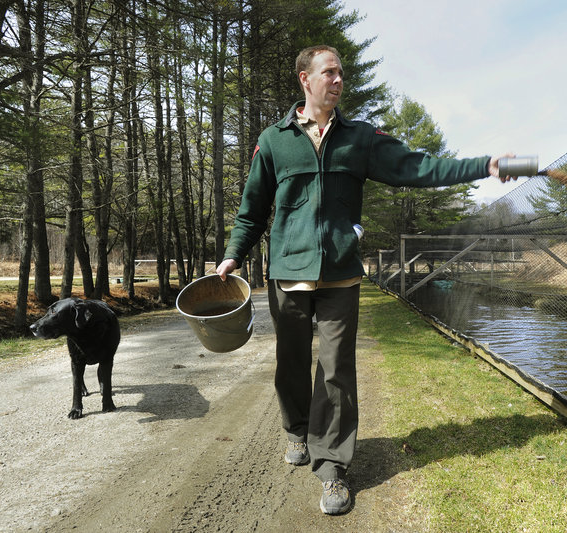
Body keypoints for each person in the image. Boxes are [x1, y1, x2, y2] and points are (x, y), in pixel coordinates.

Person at [216, 44, 517, 515]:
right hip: (288, 272)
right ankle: (296, 428)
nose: (338, 81)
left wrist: (484, 166)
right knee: (291, 364)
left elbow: (419, 167)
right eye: (329, 73)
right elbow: (252, 208)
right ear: (305, 80)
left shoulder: (360, 138)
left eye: (342, 74)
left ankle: (332, 467)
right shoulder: (273, 140)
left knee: (336, 371)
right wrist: (234, 255)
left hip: (339, 275)